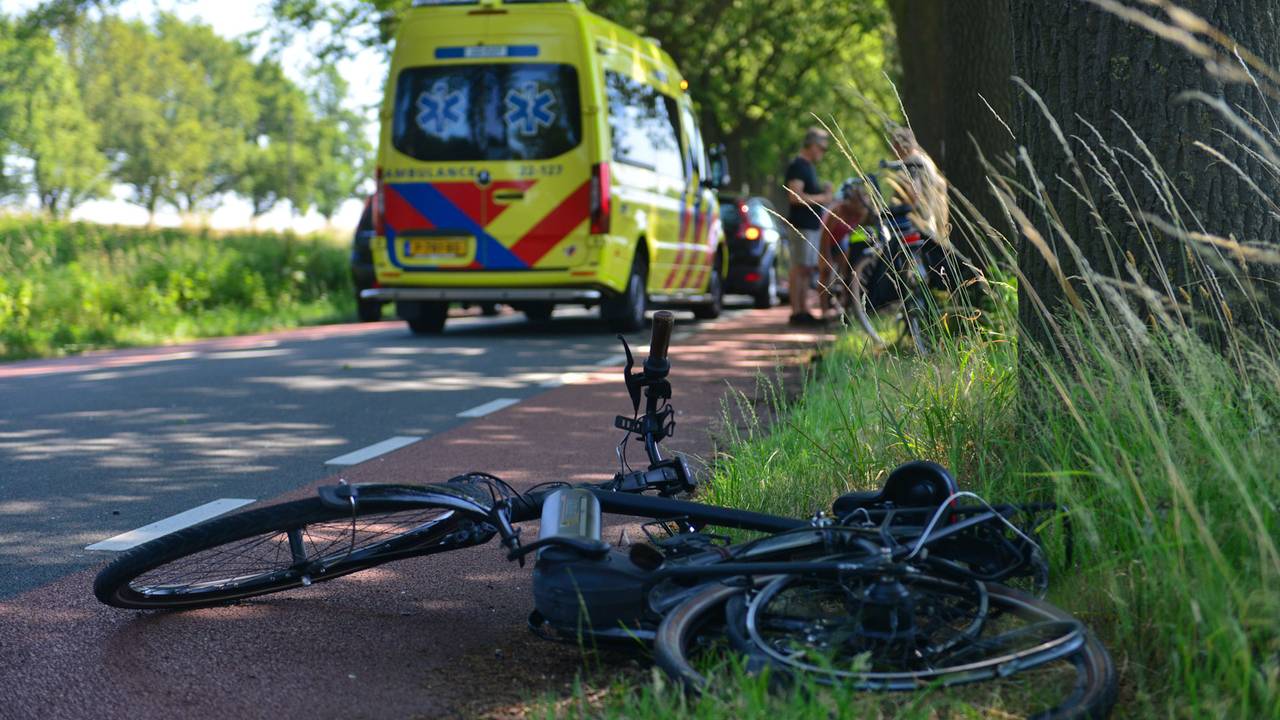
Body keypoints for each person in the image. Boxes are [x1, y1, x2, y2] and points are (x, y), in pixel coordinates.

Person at [784, 127, 835, 325]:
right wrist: (824, 197)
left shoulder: (808, 167)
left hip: (810, 226)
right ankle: (797, 311)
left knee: (807, 268)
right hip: (801, 225)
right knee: (799, 268)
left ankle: (803, 310)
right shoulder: (798, 165)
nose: (823, 152)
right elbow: (795, 196)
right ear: (812, 145)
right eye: (822, 148)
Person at [818, 177, 873, 317]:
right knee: (825, 272)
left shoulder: (862, 213)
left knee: (847, 273)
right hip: (826, 241)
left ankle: (843, 306)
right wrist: (827, 257)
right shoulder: (837, 210)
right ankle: (824, 309)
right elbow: (825, 235)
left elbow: (854, 232)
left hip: (841, 241)